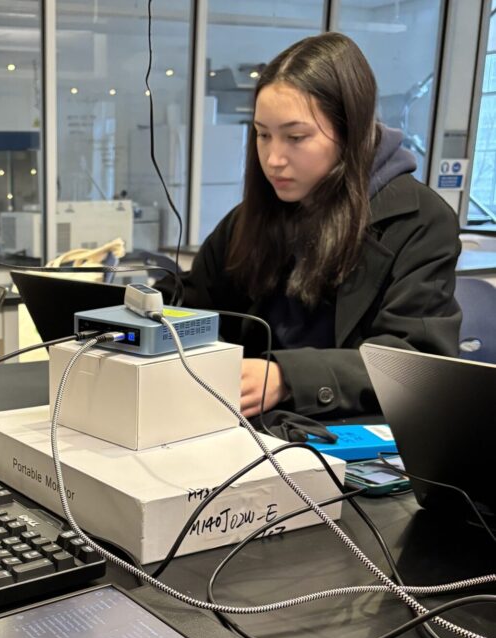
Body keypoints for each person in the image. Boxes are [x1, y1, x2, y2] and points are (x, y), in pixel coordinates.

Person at [163, 32, 461, 420]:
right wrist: (138, 311)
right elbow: (196, 298)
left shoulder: (420, 221)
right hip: (251, 429)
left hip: (355, 440)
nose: (273, 159)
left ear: (349, 131)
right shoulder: (254, 215)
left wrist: (287, 378)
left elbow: (416, 362)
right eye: (262, 135)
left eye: (295, 137)